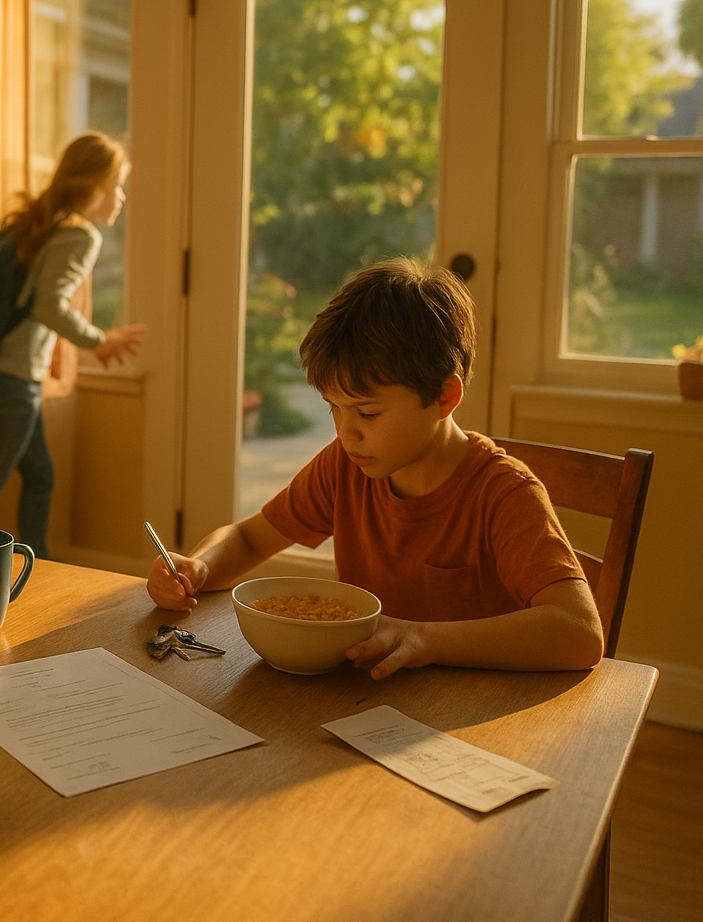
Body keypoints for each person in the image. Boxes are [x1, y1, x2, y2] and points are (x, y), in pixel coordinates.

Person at [146, 258, 605, 679]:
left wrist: (424, 638)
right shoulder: (346, 465)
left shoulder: (503, 493)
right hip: (370, 697)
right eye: (334, 408)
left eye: (366, 413)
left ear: (445, 397)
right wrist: (198, 567)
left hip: (469, 716)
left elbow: (579, 632)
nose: (347, 432)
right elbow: (248, 538)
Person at [0, 132, 147, 559]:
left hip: (3, 375)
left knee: (40, 476)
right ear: (93, 185)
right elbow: (50, 306)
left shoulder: (50, 225)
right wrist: (99, 342)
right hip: (14, 378)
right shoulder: (80, 236)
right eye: (117, 186)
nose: (121, 197)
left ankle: (35, 565)